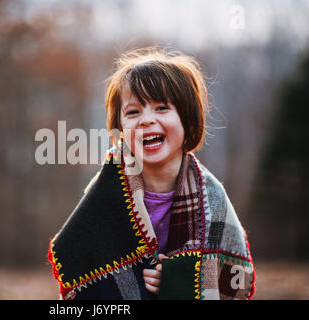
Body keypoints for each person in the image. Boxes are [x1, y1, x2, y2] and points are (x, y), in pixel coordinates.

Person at [47, 47, 255, 300]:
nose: (146, 120)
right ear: (121, 130)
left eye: (161, 108)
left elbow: (236, 280)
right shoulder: (107, 191)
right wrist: (137, 276)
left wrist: (179, 280)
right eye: (133, 112)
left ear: (187, 121)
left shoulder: (212, 198)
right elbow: (79, 259)